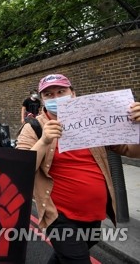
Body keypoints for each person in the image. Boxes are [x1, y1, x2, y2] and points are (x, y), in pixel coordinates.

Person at [16, 74, 140, 263]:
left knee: (66, 255)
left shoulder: (95, 120)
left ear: (73, 93)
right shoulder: (33, 127)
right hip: (58, 216)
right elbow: (20, 170)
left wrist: (137, 127)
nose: (56, 98)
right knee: (77, 258)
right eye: (49, 94)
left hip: (93, 213)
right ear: (42, 100)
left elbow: (132, 151)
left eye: (61, 91)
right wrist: (44, 141)